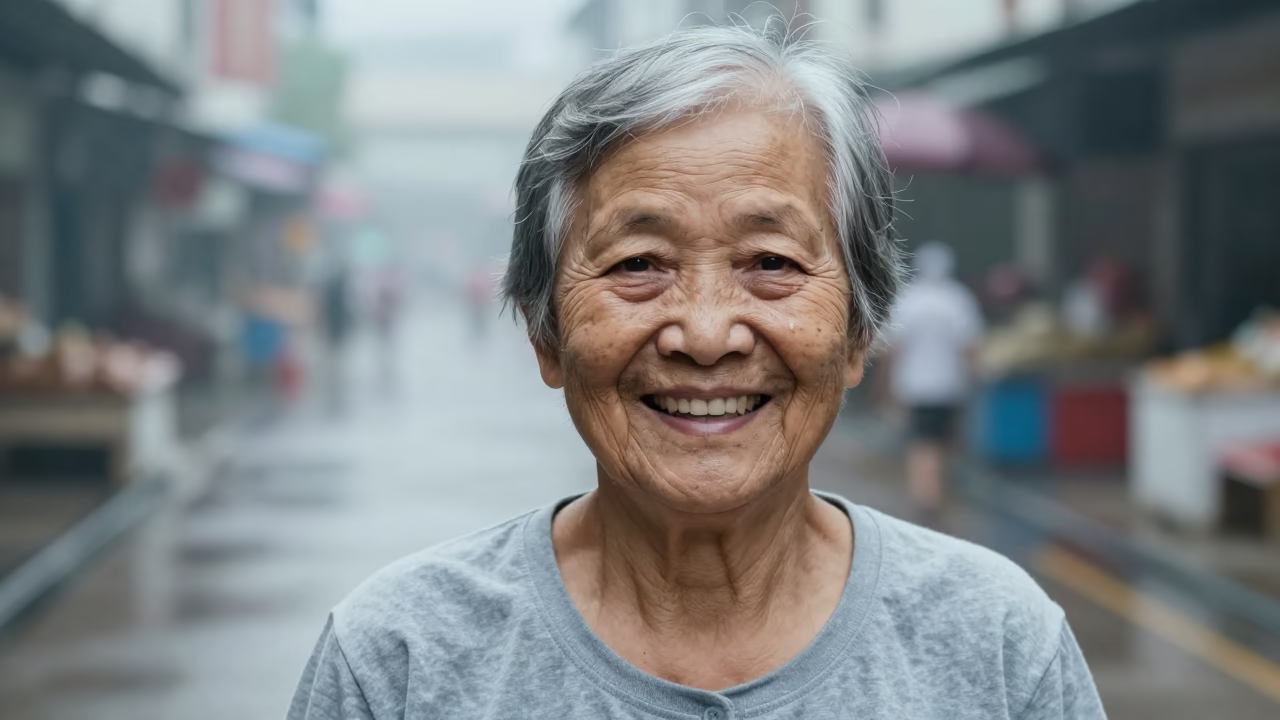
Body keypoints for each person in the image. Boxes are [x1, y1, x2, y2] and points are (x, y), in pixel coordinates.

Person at [288, 24, 1105, 720]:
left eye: (771, 262)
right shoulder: (399, 663)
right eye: (638, 263)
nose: (707, 336)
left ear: (859, 332)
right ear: (545, 332)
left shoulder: (998, 649)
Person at [887, 241, 984, 518]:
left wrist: (888, 383)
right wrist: (974, 377)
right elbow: (969, 346)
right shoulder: (958, 299)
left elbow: (895, 348)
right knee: (943, 440)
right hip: (949, 385)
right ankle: (936, 493)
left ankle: (924, 496)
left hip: (915, 385)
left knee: (921, 442)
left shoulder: (909, 300)